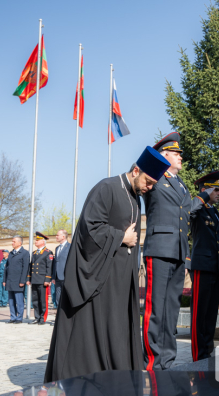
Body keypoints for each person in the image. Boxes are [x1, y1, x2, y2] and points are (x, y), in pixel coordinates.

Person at [44, 146, 170, 381]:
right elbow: (89, 228)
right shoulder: (107, 188)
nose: (150, 188)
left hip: (122, 280)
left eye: (153, 184)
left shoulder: (136, 198)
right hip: (101, 279)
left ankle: (117, 375)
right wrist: (121, 237)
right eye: (149, 182)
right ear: (136, 171)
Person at [142, 132, 213, 370]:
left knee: (171, 309)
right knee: (156, 308)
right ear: (163, 156)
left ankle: (167, 361)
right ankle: (153, 362)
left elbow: (186, 211)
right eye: (175, 153)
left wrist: (202, 198)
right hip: (159, 249)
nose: (181, 157)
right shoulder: (154, 176)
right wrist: (156, 158)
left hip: (179, 251)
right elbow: (138, 169)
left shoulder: (181, 184)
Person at [190, 171, 219, 361]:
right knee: (200, 313)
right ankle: (199, 354)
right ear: (205, 190)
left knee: (211, 313)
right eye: (215, 189)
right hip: (202, 267)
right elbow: (189, 210)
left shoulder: (215, 212)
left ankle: (208, 350)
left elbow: (218, 243)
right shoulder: (198, 209)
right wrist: (203, 195)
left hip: (214, 268)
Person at [27, 232, 52, 325]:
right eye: (36, 240)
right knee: (35, 300)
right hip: (34, 279)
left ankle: (42, 318)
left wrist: (47, 279)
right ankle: (37, 317)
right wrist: (28, 279)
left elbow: (49, 267)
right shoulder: (34, 253)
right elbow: (30, 267)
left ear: (42, 242)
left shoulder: (48, 252)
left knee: (43, 300)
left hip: (42, 280)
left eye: (37, 240)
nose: (35, 241)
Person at [3, 235, 30, 324]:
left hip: (18, 281)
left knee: (19, 301)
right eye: (12, 241)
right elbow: (7, 268)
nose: (12, 243)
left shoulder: (25, 253)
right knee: (11, 301)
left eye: (14, 241)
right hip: (10, 281)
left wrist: (22, 281)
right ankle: (13, 317)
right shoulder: (11, 253)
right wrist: (4, 280)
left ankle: (19, 318)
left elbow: (25, 268)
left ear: (20, 243)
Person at [51, 229, 70, 310]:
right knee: (58, 298)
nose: (56, 237)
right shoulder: (57, 248)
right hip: (57, 278)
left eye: (57, 235)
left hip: (66, 277)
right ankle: (59, 315)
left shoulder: (70, 247)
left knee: (66, 298)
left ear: (63, 236)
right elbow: (55, 263)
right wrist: (53, 276)